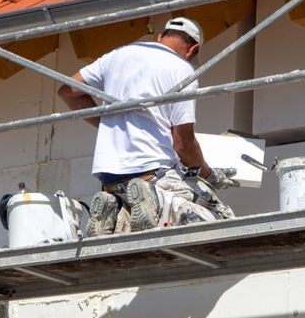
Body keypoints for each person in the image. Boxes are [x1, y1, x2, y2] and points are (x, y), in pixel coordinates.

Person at [58, 17, 239, 236]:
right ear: (193, 49)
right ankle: (156, 202)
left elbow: (67, 91)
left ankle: (111, 209)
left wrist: (106, 124)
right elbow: (182, 145)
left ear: (160, 36)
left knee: (128, 225)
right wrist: (209, 175)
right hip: (152, 174)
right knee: (217, 217)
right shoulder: (182, 69)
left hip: (109, 179)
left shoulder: (118, 55)